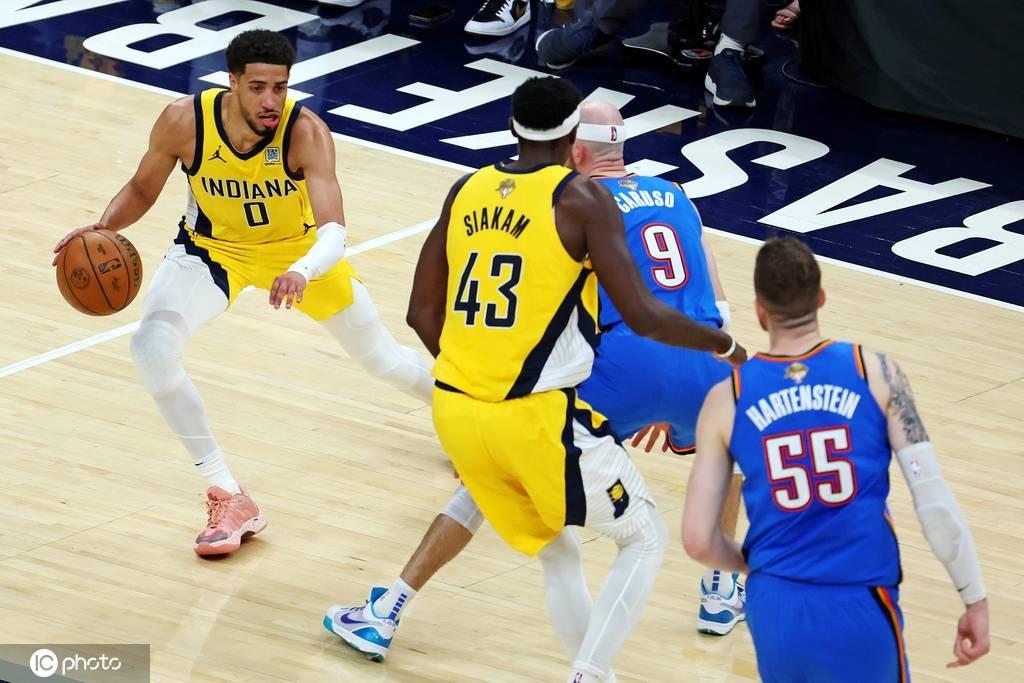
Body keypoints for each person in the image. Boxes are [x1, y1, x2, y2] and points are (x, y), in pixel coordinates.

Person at [328, 76, 746, 682]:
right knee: (702, 480)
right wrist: (719, 353)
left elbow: (424, 312)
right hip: (677, 359)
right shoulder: (653, 197)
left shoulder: (490, 192)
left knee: (524, 514)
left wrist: (480, 374)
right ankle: (718, 591)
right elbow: (689, 305)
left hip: (501, 392)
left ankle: (388, 607)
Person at [51, 29, 434, 556]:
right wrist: (102, 228)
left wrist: (302, 270)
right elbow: (142, 187)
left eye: (280, 87)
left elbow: (335, 232)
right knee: (151, 347)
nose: (271, 101)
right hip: (212, 251)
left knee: (384, 362)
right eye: (257, 88)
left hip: (297, 255)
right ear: (231, 82)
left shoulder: (306, 133)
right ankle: (229, 495)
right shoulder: (184, 121)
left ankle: (467, 416)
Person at [682, 237, 991, 680]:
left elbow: (698, 540)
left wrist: (759, 566)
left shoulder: (727, 398)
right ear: (821, 299)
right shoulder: (876, 372)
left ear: (760, 310)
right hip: (859, 595)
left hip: (776, 604)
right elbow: (934, 502)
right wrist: (973, 597)